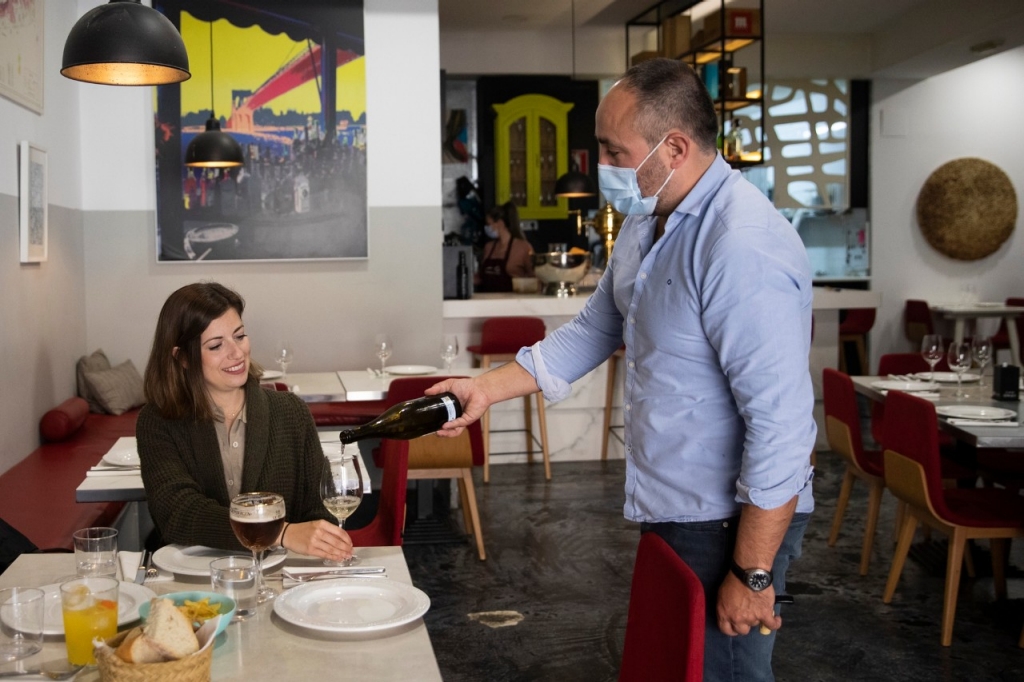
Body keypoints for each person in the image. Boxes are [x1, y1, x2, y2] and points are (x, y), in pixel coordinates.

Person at [429, 58, 814, 682]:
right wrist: (484, 388)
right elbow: (596, 328)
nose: (600, 167)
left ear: (676, 146)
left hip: (729, 523)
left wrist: (752, 573)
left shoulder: (741, 245)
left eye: (613, 150)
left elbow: (783, 426)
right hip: (673, 508)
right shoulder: (646, 218)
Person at [136, 282, 352, 562]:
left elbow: (319, 511)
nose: (236, 353)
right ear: (182, 358)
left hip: (279, 575)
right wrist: (280, 533)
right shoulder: (158, 421)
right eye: (216, 345)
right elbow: (177, 511)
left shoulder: (291, 412)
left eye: (239, 336)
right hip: (192, 579)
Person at [477, 201, 535, 292]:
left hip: (513, 303)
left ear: (500, 223)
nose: (487, 228)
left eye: (489, 224)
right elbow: (481, 278)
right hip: (487, 302)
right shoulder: (488, 247)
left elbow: (534, 279)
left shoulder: (523, 247)